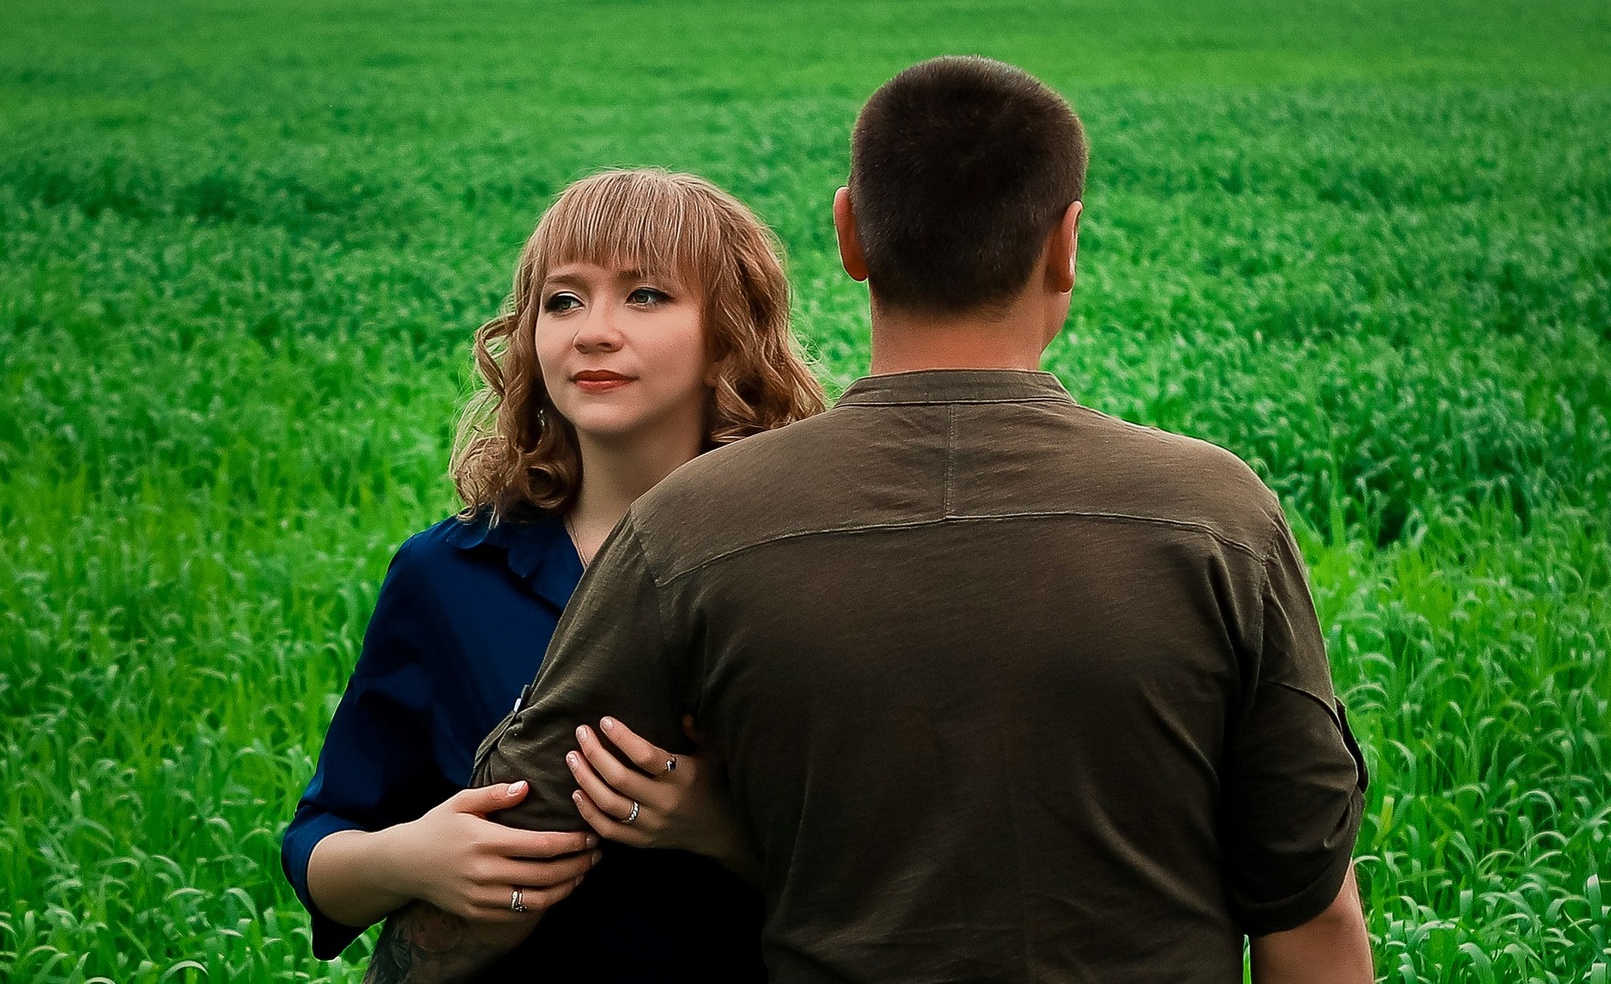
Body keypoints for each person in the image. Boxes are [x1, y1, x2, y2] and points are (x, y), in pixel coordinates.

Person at [418, 57, 1373, 983]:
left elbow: (519, 840)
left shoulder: (688, 526)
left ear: (851, 236)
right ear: (1064, 243)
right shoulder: (1218, 517)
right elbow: (1310, 908)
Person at [282, 169, 826, 980]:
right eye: (563, 300)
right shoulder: (447, 572)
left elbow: (898, 879)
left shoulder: (803, 567)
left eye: (645, 294)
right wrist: (414, 858)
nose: (592, 331)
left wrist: (717, 825)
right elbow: (320, 837)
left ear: (728, 338)